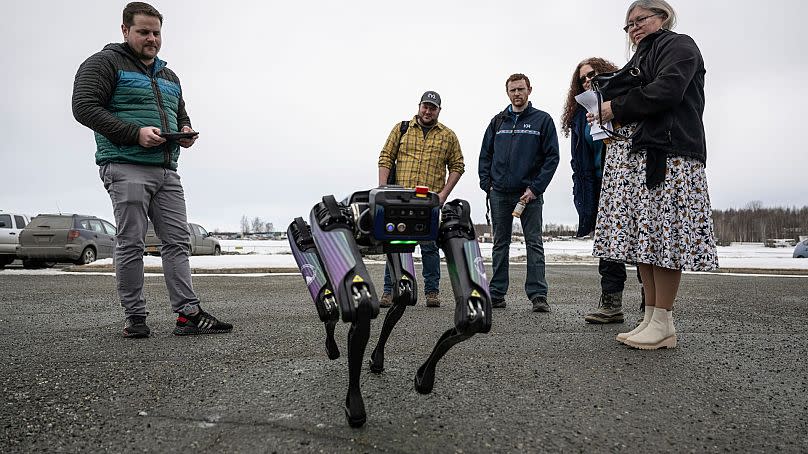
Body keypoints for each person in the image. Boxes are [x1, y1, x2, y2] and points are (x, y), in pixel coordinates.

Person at [72, 2, 233, 338]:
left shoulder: (168, 75)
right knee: (131, 243)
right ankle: (135, 317)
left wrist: (185, 131)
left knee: (178, 242)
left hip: (166, 170)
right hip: (125, 166)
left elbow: (181, 113)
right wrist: (135, 133)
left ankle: (188, 314)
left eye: (156, 33)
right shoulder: (104, 63)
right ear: (125, 30)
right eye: (143, 32)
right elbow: (84, 107)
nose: (152, 39)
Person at [588, 0, 718, 349]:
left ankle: (663, 320)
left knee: (663, 238)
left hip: (671, 153)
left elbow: (667, 90)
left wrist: (614, 107)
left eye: (639, 20)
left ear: (663, 16)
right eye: (628, 25)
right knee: (645, 239)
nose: (633, 28)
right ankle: (650, 317)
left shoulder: (679, 44)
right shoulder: (642, 55)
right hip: (643, 154)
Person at [562, 57, 644, 324]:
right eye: (583, 78)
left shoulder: (624, 101)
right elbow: (578, 156)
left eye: (593, 74)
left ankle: (650, 297)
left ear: (608, 74)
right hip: (595, 184)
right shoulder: (579, 116)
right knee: (608, 243)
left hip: (627, 181)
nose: (588, 80)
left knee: (638, 236)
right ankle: (611, 303)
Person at [479, 74, 559, 312]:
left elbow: (552, 157)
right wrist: (488, 185)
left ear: (529, 90)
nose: (517, 94)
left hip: (529, 195)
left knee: (534, 243)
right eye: (513, 90)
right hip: (500, 194)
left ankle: (538, 295)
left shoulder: (542, 121)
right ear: (507, 93)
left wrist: (535, 188)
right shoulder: (498, 122)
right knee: (499, 243)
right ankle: (497, 294)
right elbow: (485, 155)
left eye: (521, 89)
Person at [377, 91, 465, 308]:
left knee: (429, 247)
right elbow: (385, 156)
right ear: (419, 107)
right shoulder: (402, 128)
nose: (428, 111)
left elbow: (458, 166)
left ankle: (432, 292)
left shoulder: (448, 135)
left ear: (439, 110)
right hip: (400, 199)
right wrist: (382, 188)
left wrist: (443, 195)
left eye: (432, 108)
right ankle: (389, 291)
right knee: (395, 245)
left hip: (429, 201)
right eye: (425, 106)